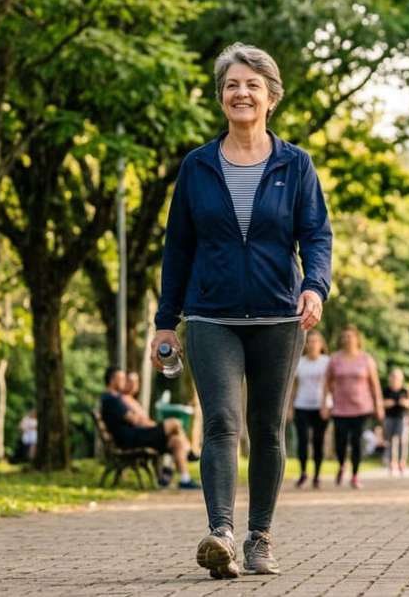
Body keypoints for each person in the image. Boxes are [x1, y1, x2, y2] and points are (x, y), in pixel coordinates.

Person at [149, 43, 333, 578]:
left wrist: (315, 286)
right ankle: (221, 535)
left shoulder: (295, 164)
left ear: (271, 97)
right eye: (232, 85)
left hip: (280, 315)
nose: (241, 93)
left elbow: (315, 234)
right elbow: (177, 246)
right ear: (221, 97)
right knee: (222, 423)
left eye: (252, 85)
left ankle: (260, 537)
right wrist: (166, 320)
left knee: (268, 428)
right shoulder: (198, 166)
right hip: (210, 315)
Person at [99, 368, 199, 490]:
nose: (124, 382)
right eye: (121, 379)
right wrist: (155, 427)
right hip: (130, 438)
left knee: (176, 441)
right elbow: (134, 420)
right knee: (174, 423)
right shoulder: (111, 399)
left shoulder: (115, 398)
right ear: (113, 380)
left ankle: (184, 479)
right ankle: (189, 452)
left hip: (136, 435)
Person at [323, 325, 384, 490]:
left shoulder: (366, 359)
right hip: (340, 407)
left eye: (350, 336)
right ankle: (342, 464)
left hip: (362, 408)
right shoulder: (335, 359)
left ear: (357, 339)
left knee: (357, 441)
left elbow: (374, 385)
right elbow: (327, 383)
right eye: (344, 337)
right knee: (340, 441)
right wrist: (325, 404)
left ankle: (355, 475)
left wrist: (379, 405)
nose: (347, 339)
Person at [290, 331, 330, 489]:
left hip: (321, 407)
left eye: (315, 341)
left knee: (318, 442)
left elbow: (331, 385)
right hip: (302, 406)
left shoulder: (327, 362)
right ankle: (303, 472)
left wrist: (326, 405)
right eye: (309, 341)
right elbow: (293, 386)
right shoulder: (300, 362)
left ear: (321, 345)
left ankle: (317, 475)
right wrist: (290, 407)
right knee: (303, 441)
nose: (312, 344)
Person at [382, 368, 409, 476]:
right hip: (389, 417)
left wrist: (404, 403)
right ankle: (391, 463)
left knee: (402, 441)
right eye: (393, 377)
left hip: (402, 418)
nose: (395, 379)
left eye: (397, 377)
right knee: (390, 441)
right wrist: (389, 403)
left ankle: (402, 462)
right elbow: (381, 403)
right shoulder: (386, 390)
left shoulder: (405, 390)